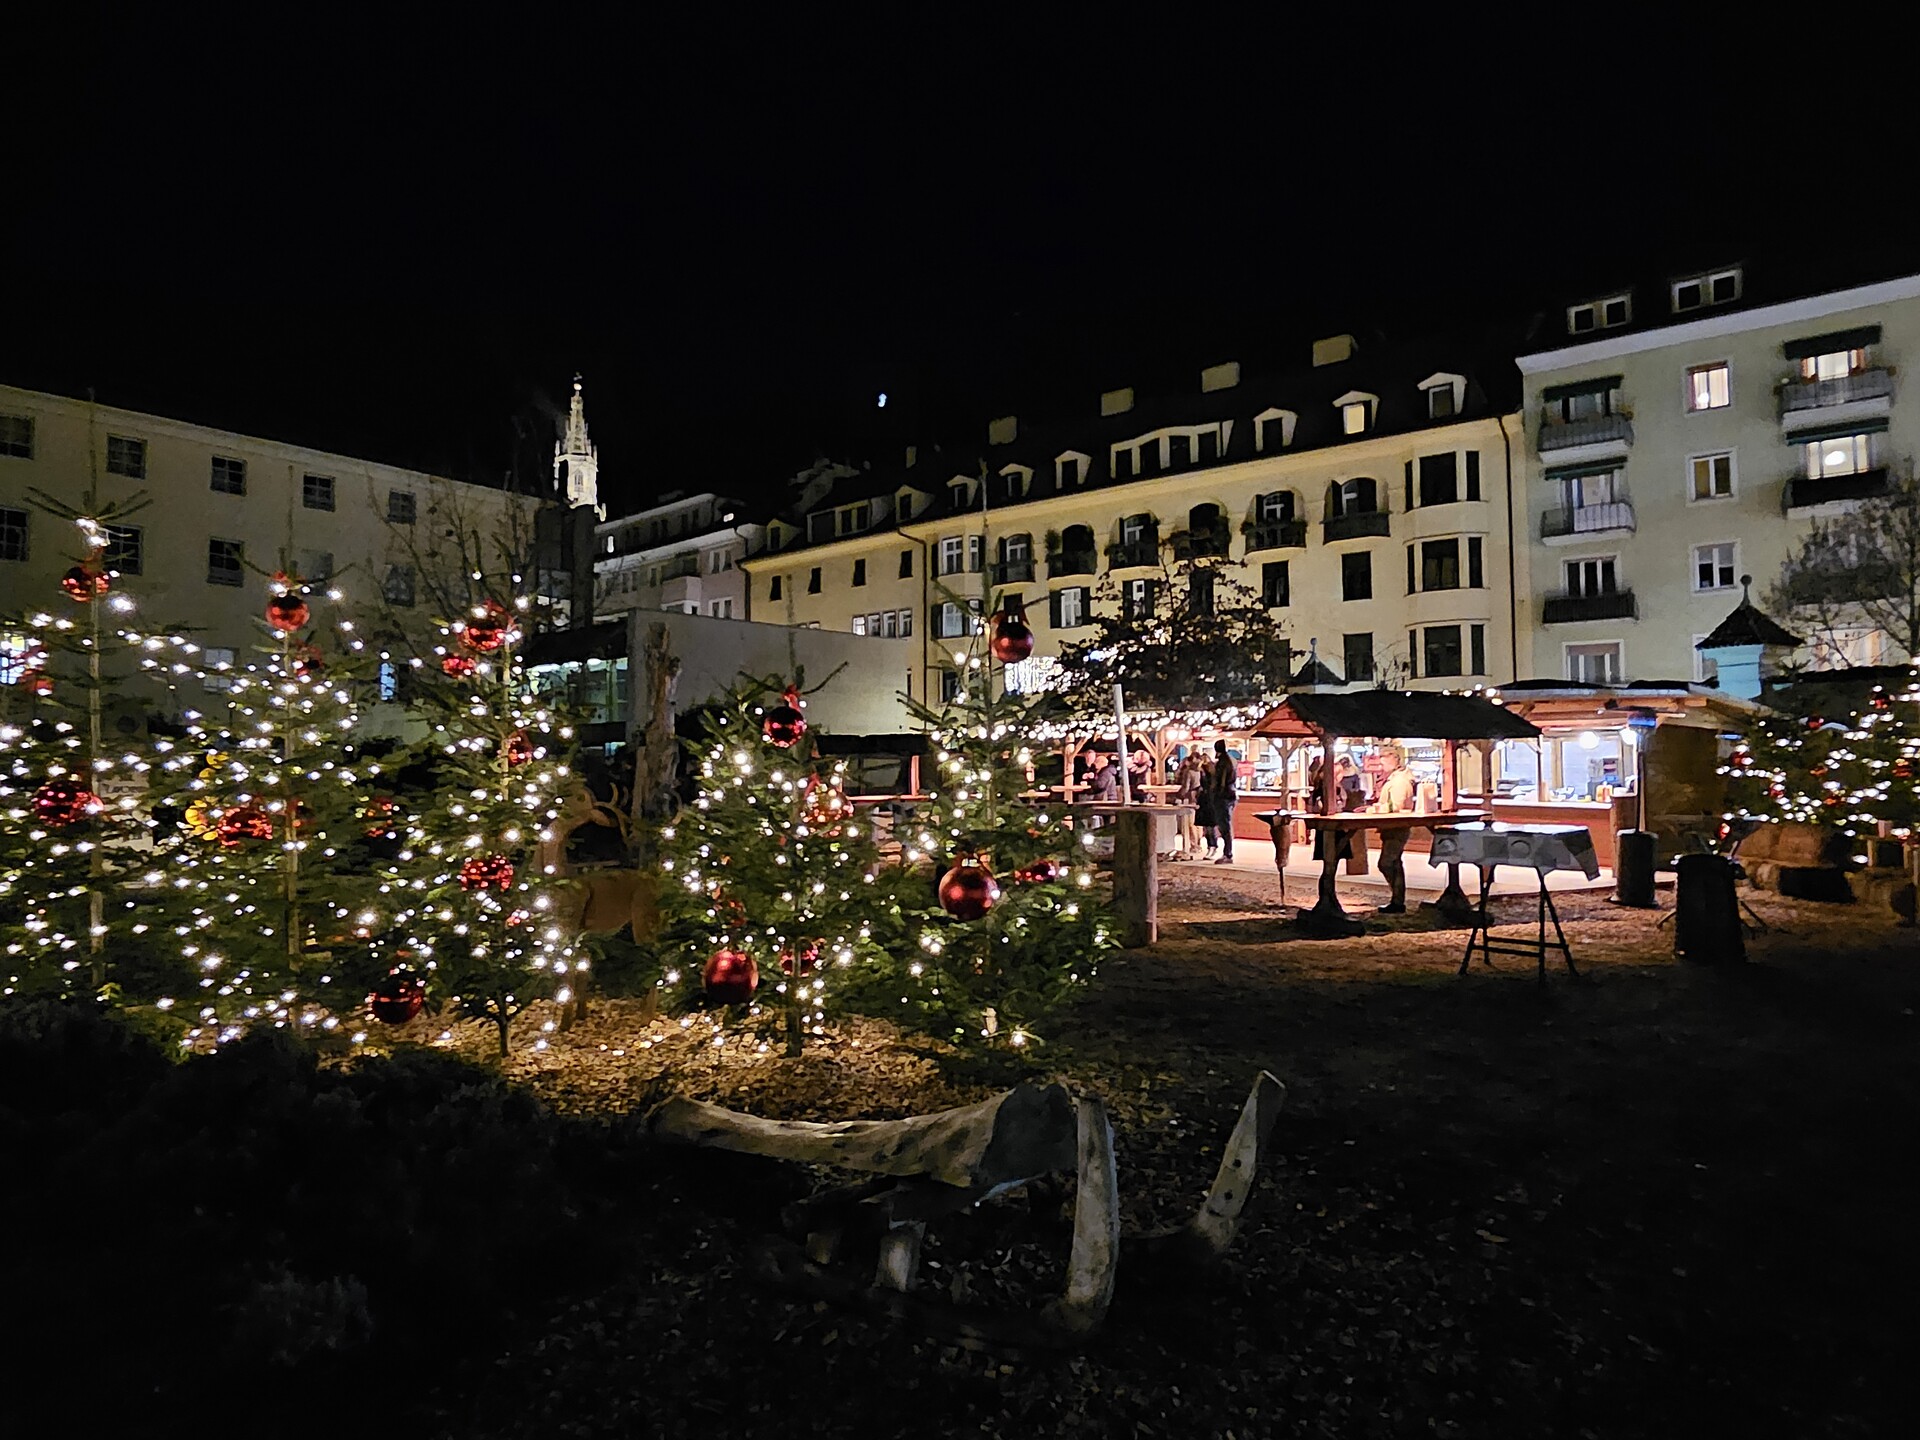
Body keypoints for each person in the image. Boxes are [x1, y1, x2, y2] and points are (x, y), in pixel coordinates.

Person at [1206, 739, 1238, 864]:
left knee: (1224, 825)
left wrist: (1215, 794)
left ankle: (1227, 854)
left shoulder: (1222, 763)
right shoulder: (1231, 760)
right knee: (1225, 825)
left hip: (1223, 797)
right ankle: (1227, 852)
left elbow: (1221, 782)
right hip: (1230, 795)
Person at [1173, 752, 1203, 858]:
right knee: (1198, 824)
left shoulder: (1188, 772)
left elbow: (1186, 786)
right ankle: (1198, 844)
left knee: (1190, 823)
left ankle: (1193, 844)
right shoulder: (1202, 771)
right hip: (1200, 799)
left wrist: (1179, 796)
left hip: (1190, 798)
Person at [1193, 755, 1219, 858]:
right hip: (1207, 801)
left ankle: (1212, 846)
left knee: (1208, 827)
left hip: (1207, 802)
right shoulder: (1212, 774)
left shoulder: (1206, 775)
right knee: (1208, 827)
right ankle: (1211, 847)